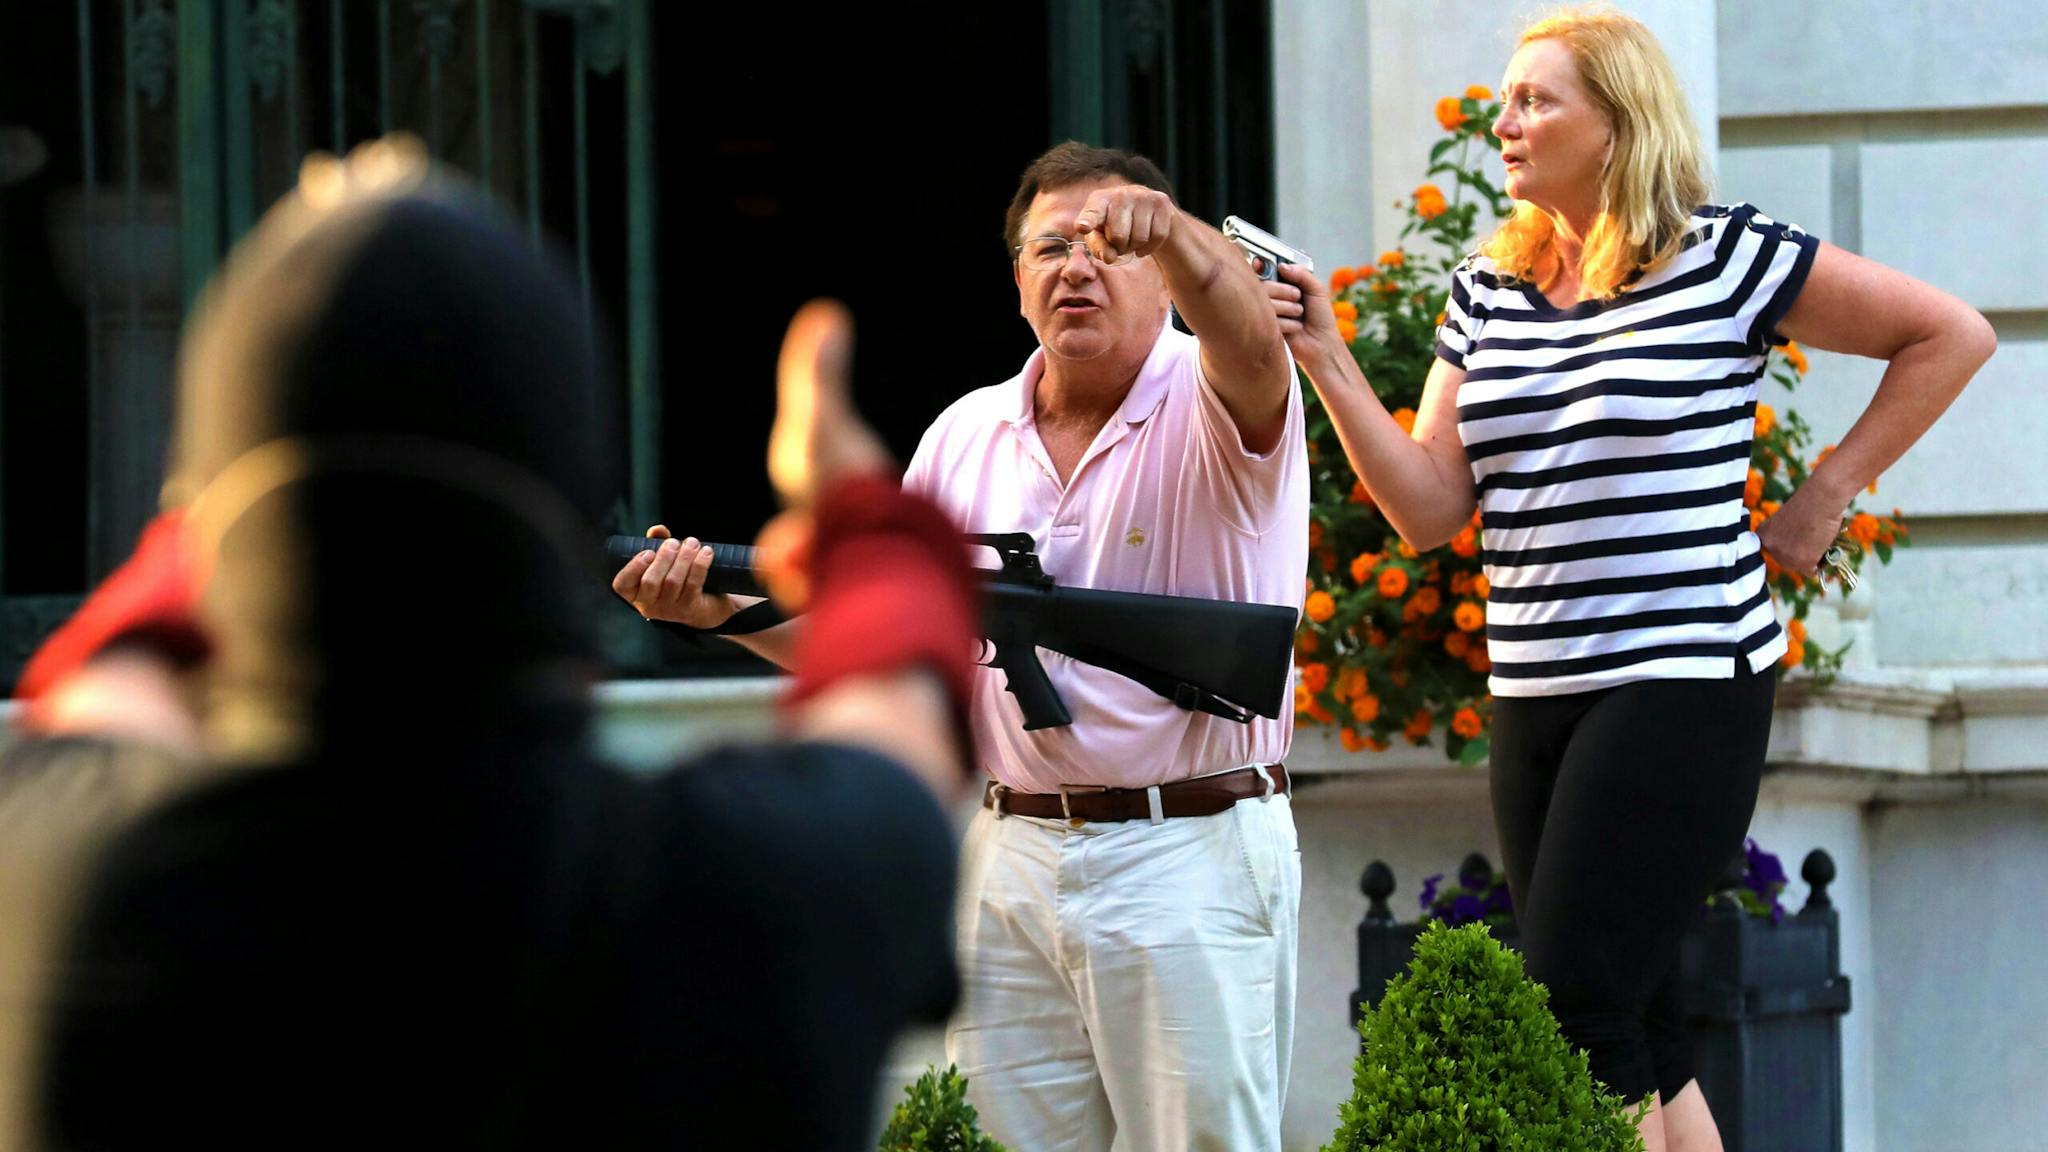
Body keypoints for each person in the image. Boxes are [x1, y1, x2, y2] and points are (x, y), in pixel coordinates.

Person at [6, 138, 980, 1151]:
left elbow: (113, 665)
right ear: (566, 511)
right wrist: (866, 522)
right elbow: (899, 695)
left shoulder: (55, 868)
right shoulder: (751, 891)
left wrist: (229, 477)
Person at [1266, 8, 1994, 1150]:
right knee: (1636, 1025)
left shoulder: (1723, 254)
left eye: (1535, 100)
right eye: (1504, 101)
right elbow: (1426, 510)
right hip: (1532, 684)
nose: (1505, 123)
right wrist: (1323, 354)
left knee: (1568, 1009)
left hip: (1681, 675)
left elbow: (1949, 334)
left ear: (1616, 123)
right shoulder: (1485, 291)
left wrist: (1822, 495)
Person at [614, 141, 1309, 1150]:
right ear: (1017, 281)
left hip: (1188, 850)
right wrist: (720, 612)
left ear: (1163, 274)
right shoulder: (964, 433)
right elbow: (891, 643)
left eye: (1111, 246)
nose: (1076, 267)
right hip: (1009, 850)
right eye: (1050, 247)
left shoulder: (1216, 398)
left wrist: (1190, 247)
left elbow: (1251, 345)